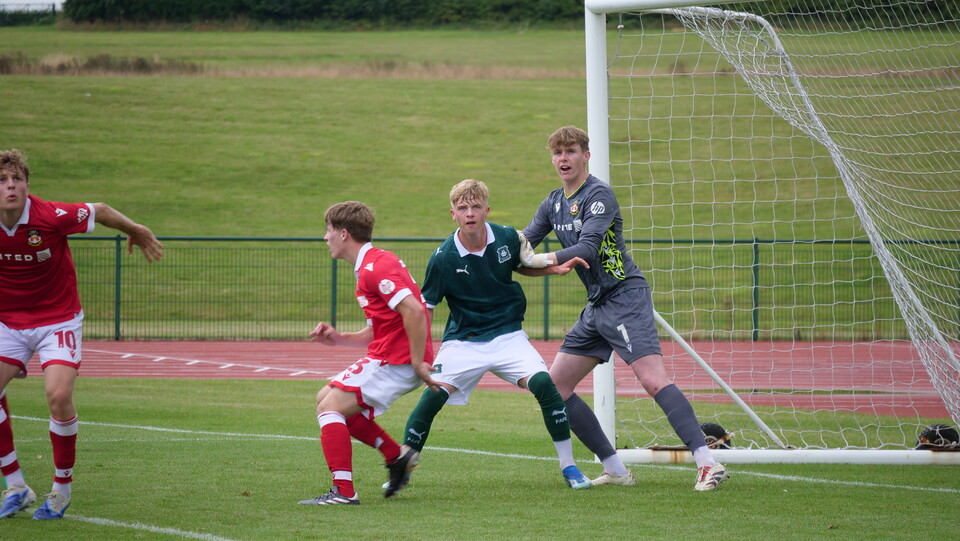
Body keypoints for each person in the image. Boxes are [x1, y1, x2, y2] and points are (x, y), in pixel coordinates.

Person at [519, 126, 729, 491]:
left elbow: (585, 249)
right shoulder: (552, 203)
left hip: (625, 296)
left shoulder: (598, 195)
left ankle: (707, 463)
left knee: (652, 379)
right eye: (557, 152)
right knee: (557, 386)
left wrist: (543, 259)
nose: (563, 158)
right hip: (598, 305)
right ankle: (615, 468)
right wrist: (496, 252)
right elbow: (522, 244)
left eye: (570, 151)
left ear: (586, 155)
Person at [384, 179, 592, 498]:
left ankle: (569, 467)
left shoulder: (507, 236)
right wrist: (421, 354)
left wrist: (553, 270)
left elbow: (521, 265)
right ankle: (404, 465)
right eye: (463, 208)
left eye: (476, 206)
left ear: (486, 210)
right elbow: (423, 310)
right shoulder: (442, 257)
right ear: (453, 213)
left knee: (544, 385)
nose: (470, 213)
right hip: (463, 341)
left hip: (508, 336)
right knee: (432, 394)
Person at [0, 149, 164, 520]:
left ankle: (61, 489)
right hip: (8, 322)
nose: (10, 186)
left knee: (58, 395)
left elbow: (101, 209)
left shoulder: (49, 216)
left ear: (27, 185)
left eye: (16, 179)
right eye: (2, 181)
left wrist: (136, 229)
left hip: (57, 319)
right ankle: (16, 485)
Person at [298, 201, 439, 506]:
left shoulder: (376, 267)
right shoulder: (370, 266)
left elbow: (415, 311)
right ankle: (397, 457)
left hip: (398, 360)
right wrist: (338, 338)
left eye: (329, 230)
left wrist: (418, 362)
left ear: (344, 233)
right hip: (389, 354)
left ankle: (344, 492)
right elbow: (381, 327)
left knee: (329, 410)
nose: (325, 237)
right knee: (326, 399)